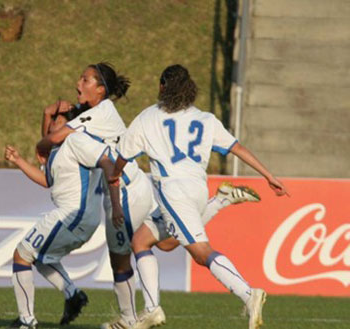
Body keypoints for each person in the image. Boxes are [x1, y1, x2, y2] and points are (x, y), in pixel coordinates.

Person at [112, 64, 289, 329]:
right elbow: (237, 147)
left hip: (173, 192)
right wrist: (268, 175)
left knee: (200, 252)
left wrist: (114, 175)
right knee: (143, 241)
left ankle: (247, 294)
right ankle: (151, 310)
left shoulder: (148, 117)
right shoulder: (205, 119)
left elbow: (122, 157)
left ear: (162, 87)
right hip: (196, 189)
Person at [4, 109, 120, 329]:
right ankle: (73, 294)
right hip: (81, 217)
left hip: (73, 214)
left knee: (22, 255)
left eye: (58, 121)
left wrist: (115, 202)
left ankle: (26, 321)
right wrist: (18, 160)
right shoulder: (61, 149)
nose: (52, 125)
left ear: (71, 125)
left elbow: (106, 162)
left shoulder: (76, 141)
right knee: (39, 258)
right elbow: (47, 179)